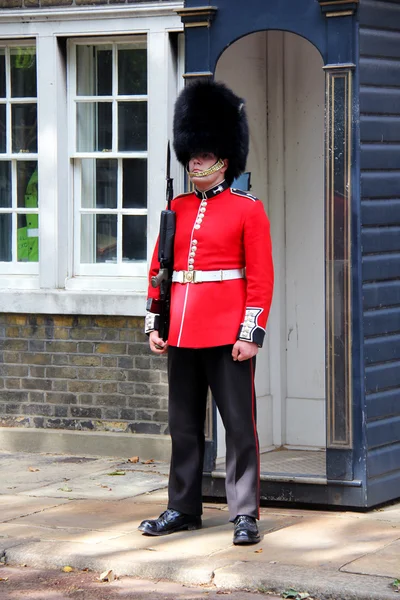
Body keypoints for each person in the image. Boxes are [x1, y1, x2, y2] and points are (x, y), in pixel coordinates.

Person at [139, 80, 274, 545]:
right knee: (183, 425)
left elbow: (259, 279)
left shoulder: (247, 210)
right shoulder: (175, 208)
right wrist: (155, 322)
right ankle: (182, 506)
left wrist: (250, 331)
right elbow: (161, 270)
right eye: (191, 153)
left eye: (204, 153)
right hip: (181, 331)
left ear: (223, 158)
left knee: (238, 427)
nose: (195, 161)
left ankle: (244, 514)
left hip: (226, 331)